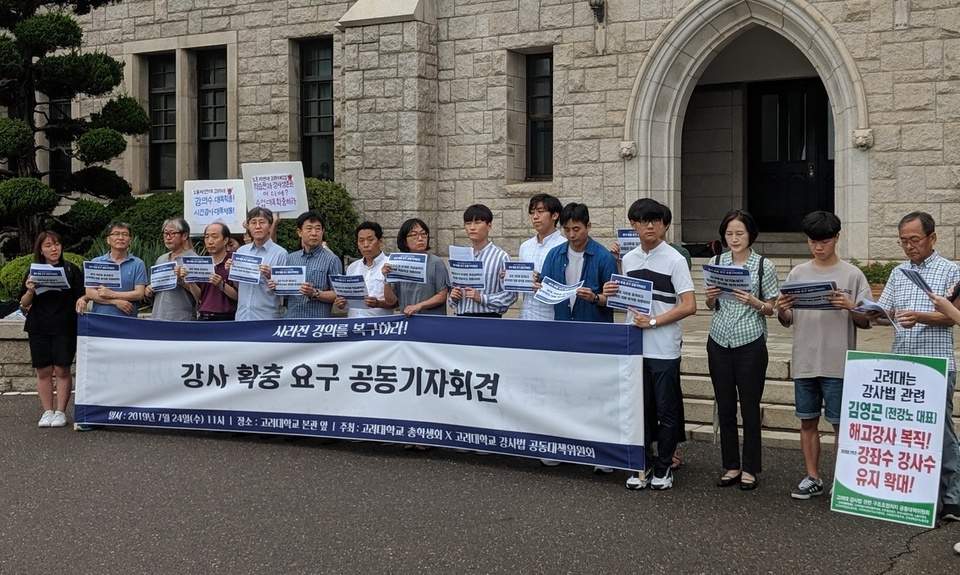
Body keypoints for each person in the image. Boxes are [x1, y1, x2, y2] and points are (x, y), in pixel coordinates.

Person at [776, 211, 871, 499]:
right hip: (805, 359)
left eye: (825, 241)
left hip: (838, 362)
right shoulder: (798, 273)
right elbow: (787, 318)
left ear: (837, 238)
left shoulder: (852, 274)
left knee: (842, 423)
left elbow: (868, 320)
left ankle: (843, 480)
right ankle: (812, 476)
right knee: (807, 420)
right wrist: (781, 307)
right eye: (813, 242)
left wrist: (851, 306)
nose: (819, 247)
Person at [604, 199, 696, 491]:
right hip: (635, 346)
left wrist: (655, 322)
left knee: (666, 410)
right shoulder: (629, 260)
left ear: (665, 225)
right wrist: (610, 292)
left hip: (664, 346)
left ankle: (664, 466)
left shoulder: (674, 259)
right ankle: (639, 464)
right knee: (637, 409)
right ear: (633, 225)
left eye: (656, 221)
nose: (649, 226)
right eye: (643, 221)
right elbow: (626, 302)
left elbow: (690, 305)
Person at [875, 211, 960, 522]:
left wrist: (919, 316)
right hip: (902, 361)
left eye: (914, 240)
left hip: (936, 362)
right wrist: (871, 312)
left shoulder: (951, 270)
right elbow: (886, 310)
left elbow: (953, 315)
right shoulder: (898, 272)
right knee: (907, 431)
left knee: (941, 430)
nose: (909, 246)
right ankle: (914, 493)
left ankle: (953, 497)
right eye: (903, 241)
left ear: (932, 238)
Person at [703, 209, 779, 491]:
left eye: (739, 233)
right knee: (724, 405)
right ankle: (731, 465)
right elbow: (711, 306)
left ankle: (750, 468)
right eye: (729, 233)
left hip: (750, 341)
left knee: (749, 406)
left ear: (751, 235)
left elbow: (772, 308)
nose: (734, 239)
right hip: (719, 339)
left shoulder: (763, 266)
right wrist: (710, 298)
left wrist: (753, 301)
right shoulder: (716, 261)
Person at [19, 231, 84, 427]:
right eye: (48, 245)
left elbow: (82, 295)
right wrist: (30, 289)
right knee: (43, 370)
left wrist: (82, 301)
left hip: (65, 325)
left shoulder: (72, 270)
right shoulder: (32, 271)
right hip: (38, 325)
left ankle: (61, 412)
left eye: (56, 244)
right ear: (40, 249)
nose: (53, 249)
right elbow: (23, 303)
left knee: (62, 368)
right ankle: (47, 411)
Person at [540, 203, 618, 323]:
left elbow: (614, 300)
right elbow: (544, 286)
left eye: (576, 229)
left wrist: (595, 298)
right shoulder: (554, 255)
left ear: (588, 226)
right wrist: (537, 285)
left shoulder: (604, 257)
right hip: (562, 324)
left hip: (594, 329)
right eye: (566, 230)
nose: (571, 235)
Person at [448, 204, 516, 317]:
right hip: (460, 318)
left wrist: (482, 298)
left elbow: (511, 295)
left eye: (477, 222)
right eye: (468, 223)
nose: (472, 227)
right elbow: (452, 299)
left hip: (488, 319)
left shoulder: (501, 257)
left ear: (489, 226)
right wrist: (453, 297)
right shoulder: (459, 256)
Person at [228, 207, 288, 321]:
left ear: (270, 226)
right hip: (242, 316)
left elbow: (285, 291)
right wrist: (231, 270)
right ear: (248, 226)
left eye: (262, 222)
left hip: (267, 317)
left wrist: (271, 276)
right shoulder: (241, 251)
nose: (257, 226)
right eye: (253, 222)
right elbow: (238, 285)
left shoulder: (281, 253)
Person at [382, 218, 449, 317]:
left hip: (432, 321)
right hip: (407, 321)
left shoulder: (436, 262)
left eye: (423, 234)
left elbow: (442, 296)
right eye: (414, 235)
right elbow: (391, 301)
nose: (420, 238)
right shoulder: (397, 263)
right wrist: (386, 279)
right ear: (405, 241)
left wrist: (419, 306)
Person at [78, 221, 147, 317]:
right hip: (100, 319)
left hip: (128, 320)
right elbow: (90, 293)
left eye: (125, 234)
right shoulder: (96, 262)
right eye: (116, 234)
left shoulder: (138, 263)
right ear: (108, 240)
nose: (120, 238)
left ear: (130, 240)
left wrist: (112, 294)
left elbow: (139, 294)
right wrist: (115, 301)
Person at [282, 210, 341, 319]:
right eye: (309, 229)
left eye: (318, 229)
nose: (314, 233)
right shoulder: (290, 258)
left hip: (317, 324)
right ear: (299, 232)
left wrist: (314, 293)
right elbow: (285, 293)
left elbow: (338, 293)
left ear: (323, 232)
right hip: (292, 321)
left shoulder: (332, 259)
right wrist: (276, 284)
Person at [518, 193, 566, 320]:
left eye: (540, 211)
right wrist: (511, 276)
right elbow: (519, 283)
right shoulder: (525, 246)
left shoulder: (564, 246)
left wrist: (542, 281)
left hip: (552, 318)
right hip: (526, 315)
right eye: (532, 212)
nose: (535, 217)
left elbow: (568, 284)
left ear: (555, 215)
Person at [181, 222, 238, 321]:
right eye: (206, 237)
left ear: (225, 240)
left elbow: (240, 296)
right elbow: (199, 296)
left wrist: (221, 284)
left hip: (228, 318)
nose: (210, 241)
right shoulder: (201, 263)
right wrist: (190, 281)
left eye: (214, 237)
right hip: (204, 317)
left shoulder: (233, 261)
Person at [145, 217, 198, 321]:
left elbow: (201, 296)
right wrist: (149, 290)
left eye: (172, 233)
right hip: (158, 316)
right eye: (165, 233)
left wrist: (183, 281)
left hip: (182, 319)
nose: (168, 237)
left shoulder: (194, 260)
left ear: (184, 235)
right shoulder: (161, 259)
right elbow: (156, 289)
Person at [335, 221, 391, 318]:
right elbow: (347, 302)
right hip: (354, 325)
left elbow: (397, 302)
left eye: (370, 240)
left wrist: (378, 303)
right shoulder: (352, 267)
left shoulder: (389, 265)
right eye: (361, 240)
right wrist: (341, 303)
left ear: (380, 241)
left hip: (380, 327)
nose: (365, 245)